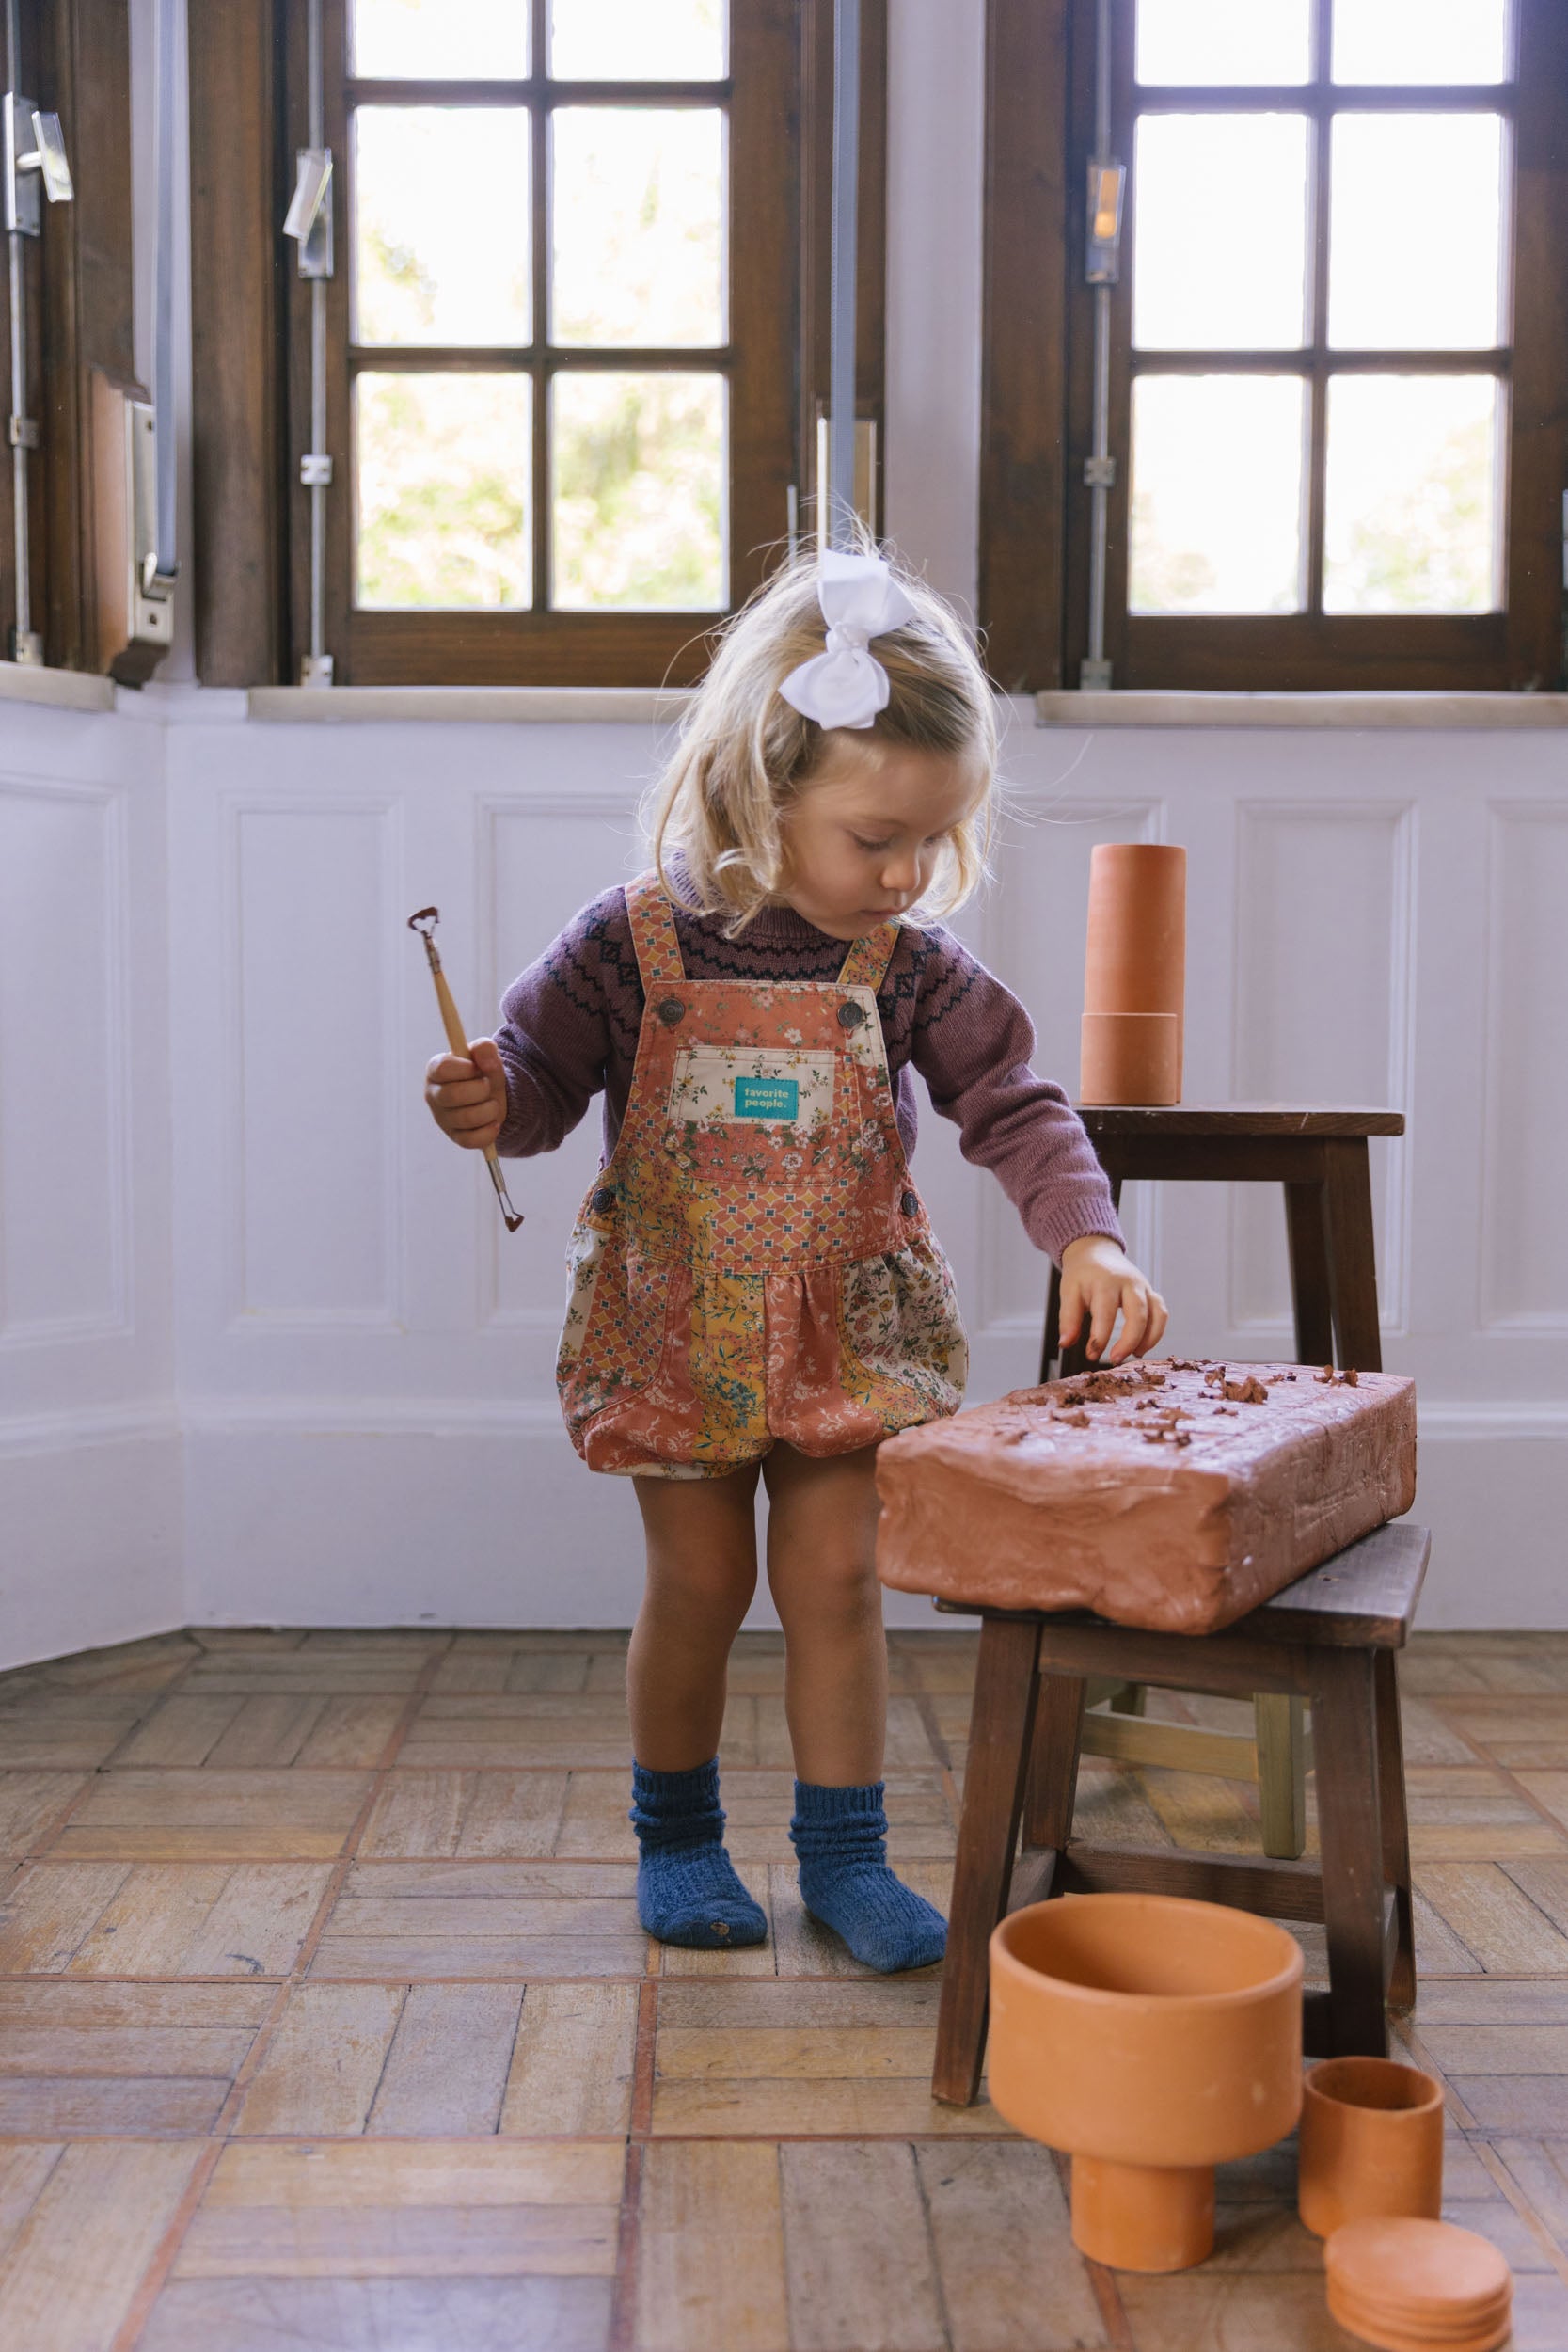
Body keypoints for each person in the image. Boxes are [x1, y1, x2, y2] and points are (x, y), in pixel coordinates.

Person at [424, 546, 1167, 1973]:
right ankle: (679, 1840)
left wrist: (1087, 1232)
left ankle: (845, 1859)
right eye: (876, 839)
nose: (907, 876)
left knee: (836, 1584)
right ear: (762, 798)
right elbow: (535, 1082)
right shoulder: (629, 942)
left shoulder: (909, 964)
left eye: (934, 844)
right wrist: (489, 1104)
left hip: (850, 1332)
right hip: (674, 1327)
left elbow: (1012, 1101)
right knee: (700, 1585)